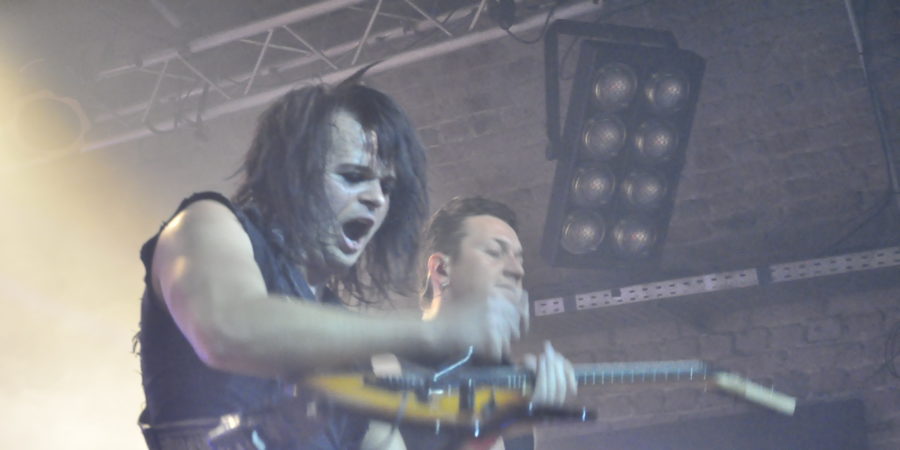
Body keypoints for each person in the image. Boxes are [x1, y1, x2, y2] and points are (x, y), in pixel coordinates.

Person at [135, 71, 553, 450]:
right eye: (353, 177)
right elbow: (230, 329)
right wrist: (434, 333)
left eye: (387, 187)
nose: (376, 198)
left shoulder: (351, 353)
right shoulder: (206, 223)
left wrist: (490, 425)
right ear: (292, 174)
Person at [385, 196, 579, 450]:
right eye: (494, 253)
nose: (517, 270)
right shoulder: (382, 367)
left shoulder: (505, 388)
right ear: (441, 269)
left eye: (519, 259)